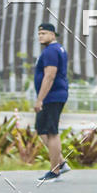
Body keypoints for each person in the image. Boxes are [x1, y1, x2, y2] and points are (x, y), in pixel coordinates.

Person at [34, 22, 70, 182]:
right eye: (39, 34)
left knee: (51, 131)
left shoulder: (51, 51)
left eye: (44, 33)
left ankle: (55, 171)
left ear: (53, 35)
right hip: (54, 95)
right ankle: (61, 162)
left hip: (52, 96)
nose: (40, 36)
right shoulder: (57, 49)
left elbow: (50, 75)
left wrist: (40, 99)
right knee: (41, 129)